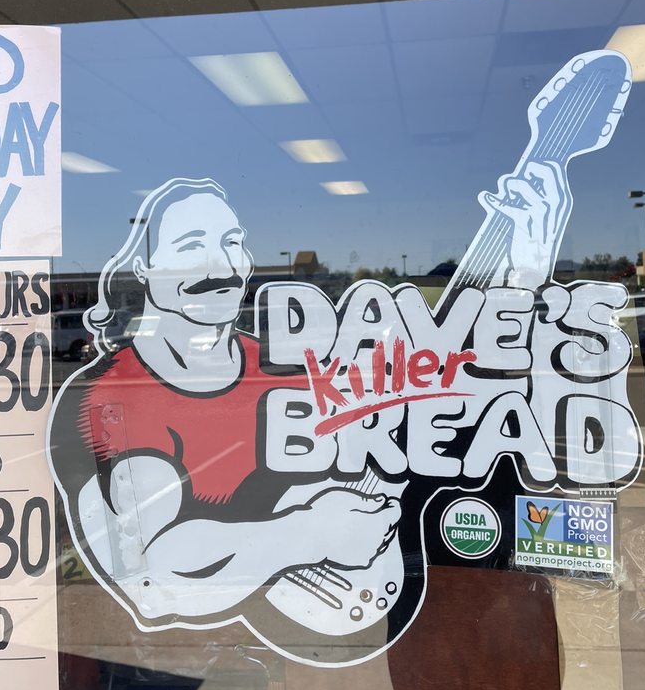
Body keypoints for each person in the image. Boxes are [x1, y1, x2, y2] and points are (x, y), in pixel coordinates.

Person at [48, 178, 400, 629]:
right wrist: (313, 534)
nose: (221, 265)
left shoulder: (283, 369)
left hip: (312, 626)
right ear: (144, 269)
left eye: (232, 243)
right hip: (173, 657)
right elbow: (154, 576)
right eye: (191, 246)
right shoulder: (109, 396)